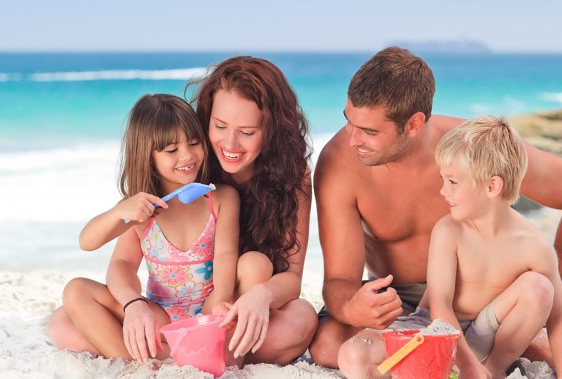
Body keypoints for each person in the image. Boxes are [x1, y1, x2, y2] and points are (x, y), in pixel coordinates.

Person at [310, 46, 562, 369]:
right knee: (328, 345)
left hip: (481, 294)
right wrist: (352, 307)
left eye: (369, 131)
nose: (352, 140)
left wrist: (557, 276)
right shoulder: (339, 164)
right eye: (349, 122)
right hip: (402, 302)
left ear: (414, 124)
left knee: (540, 303)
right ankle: (491, 351)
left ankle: (486, 350)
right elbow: (338, 281)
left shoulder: (471, 149)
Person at [337, 116, 562, 378]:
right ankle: (448, 370)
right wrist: (467, 365)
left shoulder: (534, 246)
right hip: (435, 330)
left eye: (453, 182)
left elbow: (557, 318)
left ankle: (492, 370)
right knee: (352, 354)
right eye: (443, 180)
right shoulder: (449, 230)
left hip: (484, 336)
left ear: (492, 186)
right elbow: (440, 307)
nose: (443, 191)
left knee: (539, 287)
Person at [46, 94, 239, 363]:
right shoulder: (139, 210)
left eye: (194, 143)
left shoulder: (220, 198)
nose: (187, 155)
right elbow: (102, 251)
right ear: (147, 155)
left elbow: (226, 255)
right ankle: (143, 362)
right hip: (158, 317)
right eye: (171, 150)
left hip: (208, 313)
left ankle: (157, 355)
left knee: (68, 325)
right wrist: (133, 304)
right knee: (75, 292)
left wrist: (219, 301)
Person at [187, 55, 318, 365]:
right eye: (219, 126)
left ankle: (215, 355)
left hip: (247, 305)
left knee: (302, 317)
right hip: (193, 302)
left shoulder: (293, 176)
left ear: (272, 131)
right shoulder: (191, 162)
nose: (230, 144)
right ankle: (216, 353)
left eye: (247, 132)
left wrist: (262, 295)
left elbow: (292, 277)